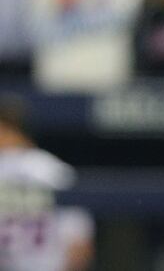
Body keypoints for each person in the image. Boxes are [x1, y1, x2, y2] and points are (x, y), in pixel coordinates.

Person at [0, 94, 95, 271]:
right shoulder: (53, 169)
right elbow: (80, 245)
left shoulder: (52, 171)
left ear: (10, 129)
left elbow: (79, 243)